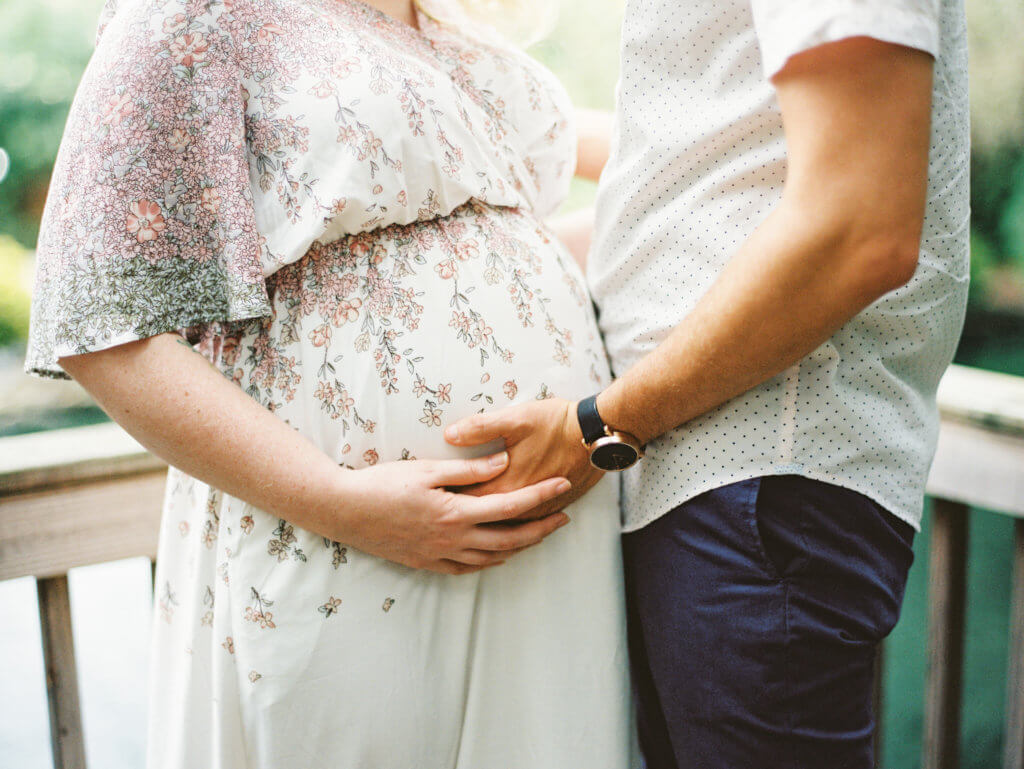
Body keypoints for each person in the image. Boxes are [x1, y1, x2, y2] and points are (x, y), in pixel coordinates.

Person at [24, 0, 638, 766]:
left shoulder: (453, 36)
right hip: (346, 541)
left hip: (549, 543)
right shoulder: (195, 14)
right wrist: (339, 501)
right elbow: (102, 329)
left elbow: (504, 249)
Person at [445, 1, 969, 767]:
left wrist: (598, 426)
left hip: (758, 475)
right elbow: (702, 196)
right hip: (700, 472)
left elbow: (861, 226)